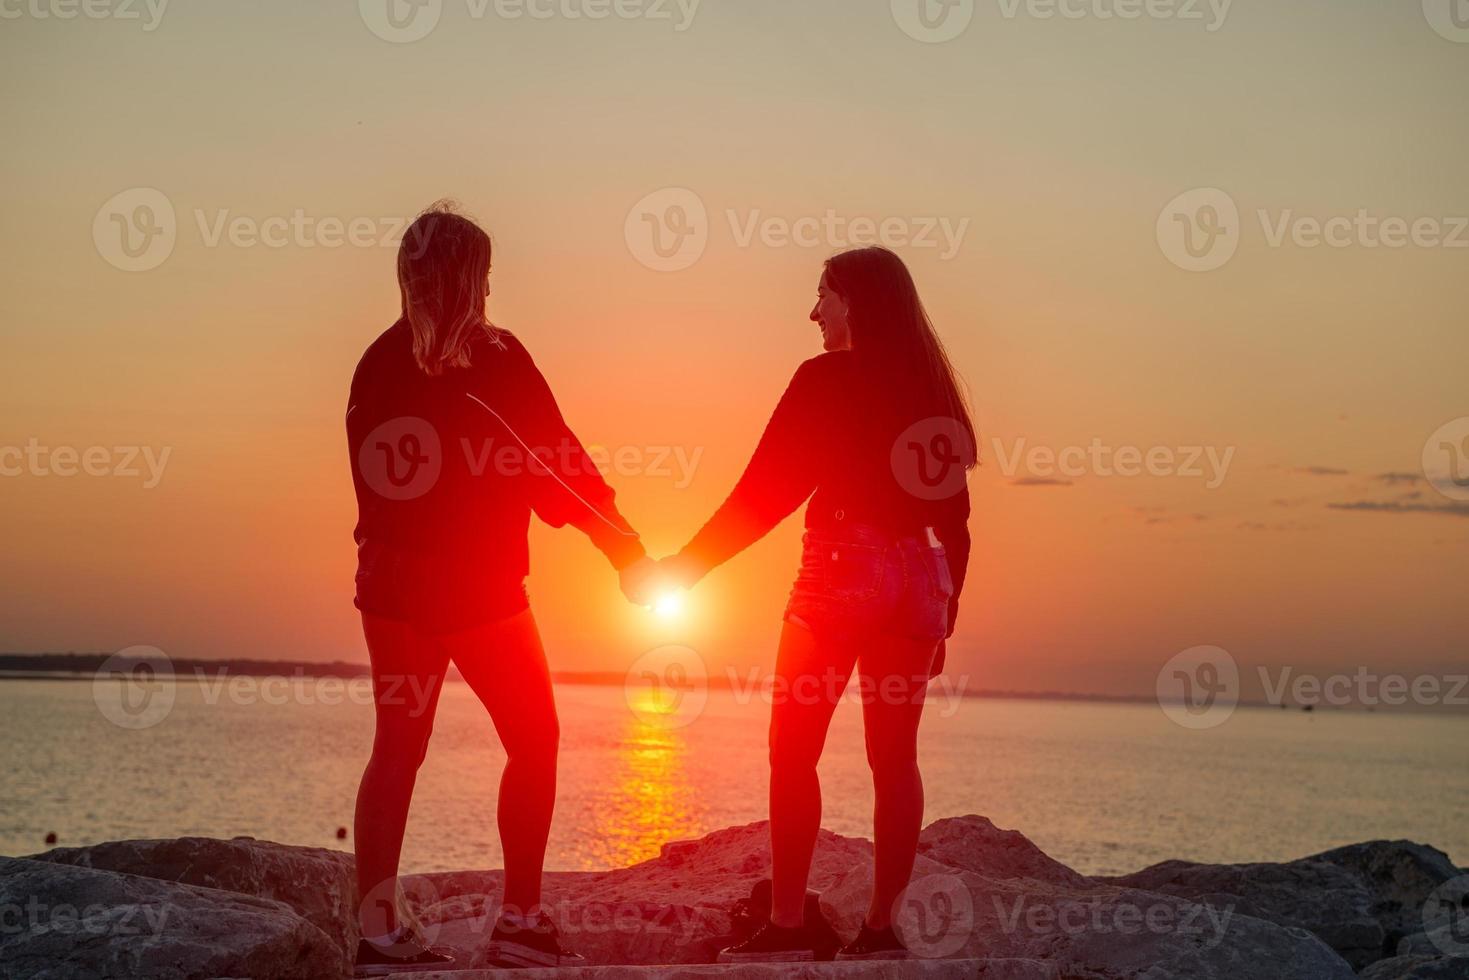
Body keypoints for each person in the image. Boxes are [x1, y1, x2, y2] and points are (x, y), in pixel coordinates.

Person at [345, 202, 658, 975]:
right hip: (474, 586)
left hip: (388, 584)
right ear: (468, 280)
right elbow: (557, 462)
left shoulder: (374, 363)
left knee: (397, 749)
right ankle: (519, 920)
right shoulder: (493, 359)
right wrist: (624, 547)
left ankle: (376, 931)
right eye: (484, 274)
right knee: (534, 739)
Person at [657, 246, 975, 963]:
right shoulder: (931, 390)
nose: (813, 312)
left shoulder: (823, 379)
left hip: (841, 568)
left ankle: (788, 927)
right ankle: (881, 932)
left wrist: (687, 566)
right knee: (895, 760)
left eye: (822, 295)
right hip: (918, 577)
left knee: (791, 750)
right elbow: (954, 518)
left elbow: (763, 495)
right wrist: (944, 609)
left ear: (854, 301)